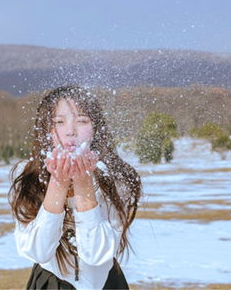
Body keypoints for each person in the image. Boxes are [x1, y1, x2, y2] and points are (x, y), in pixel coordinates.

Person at [9, 85, 142, 289]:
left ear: (96, 128)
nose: (71, 131)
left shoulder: (116, 178)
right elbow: (38, 252)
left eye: (81, 121)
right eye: (59, 122)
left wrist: (83, 183)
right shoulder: (27, 175)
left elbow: (97, 254)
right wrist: (58, 183)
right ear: (45, 130)